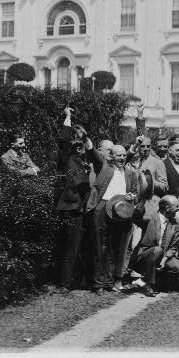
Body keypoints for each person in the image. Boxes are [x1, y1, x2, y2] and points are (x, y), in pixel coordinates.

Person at [86, 140, 151, 294]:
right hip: (103, 208)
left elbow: (136, 193)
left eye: (124, 155)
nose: (122, 158)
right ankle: (99, 284)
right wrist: (85, 138)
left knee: (115, 247)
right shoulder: (105, 167)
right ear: (111, 156)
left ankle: (110, 282)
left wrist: (131, 197)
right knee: (101, 247)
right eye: (118, 155)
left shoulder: (130, 173)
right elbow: (92, 152)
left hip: (121, 209)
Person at [54, 120, 92, 290]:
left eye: (82, 139)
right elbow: (63, 141)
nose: (80, 143)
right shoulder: (66, 159)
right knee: (68, 248)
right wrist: (67, 119)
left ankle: (72, 280)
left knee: (78, 247)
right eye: (77, 139)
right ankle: (64, 283)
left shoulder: (83, 162)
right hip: (69, 209)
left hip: (80, 210)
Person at [128, 195, 179, 296]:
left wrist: (164, 259)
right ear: (167, 208)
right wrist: (142, 201)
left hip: (163, 257)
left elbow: (174, 246)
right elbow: (136, 218)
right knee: (157, 250)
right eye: (176, 206)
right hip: (144, 256)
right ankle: (149, 284)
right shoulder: (151, 218)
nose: (178, 210)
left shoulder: (174, 224)